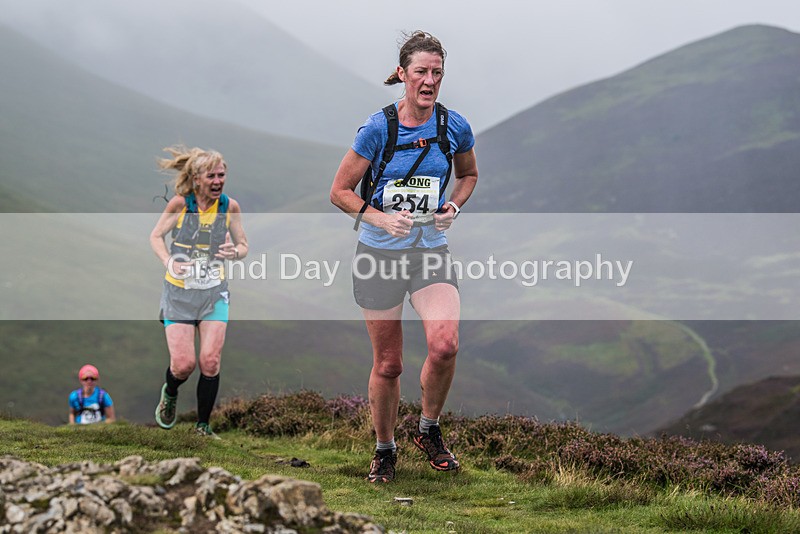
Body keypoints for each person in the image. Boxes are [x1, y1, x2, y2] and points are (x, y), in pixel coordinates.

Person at [330, 31, 478, 482]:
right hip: (378, 256)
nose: (430, 80)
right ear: (402, 74)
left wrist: (453, 205)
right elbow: (338, 192)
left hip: (429, 250)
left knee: (445, 344)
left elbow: (468, 174)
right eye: (421, 72)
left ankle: (428, 429)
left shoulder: (454, 126)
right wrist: (378, 218)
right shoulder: (378, 128)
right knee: (389, 364)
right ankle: (384, 449)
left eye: (437, 72)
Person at [149, 146, 248, 438]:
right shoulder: (180, 204)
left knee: (210, 361)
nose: (218, 181)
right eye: (211, 176)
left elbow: (243, 245)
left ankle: (203, 427)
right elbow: (155, 236)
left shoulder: (230, 207)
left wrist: (235, 251)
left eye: (222, 175)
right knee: (183, 365)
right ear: (196, 178)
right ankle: (170, 390)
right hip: (179, 295)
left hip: (213, 294)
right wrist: (168, 261)